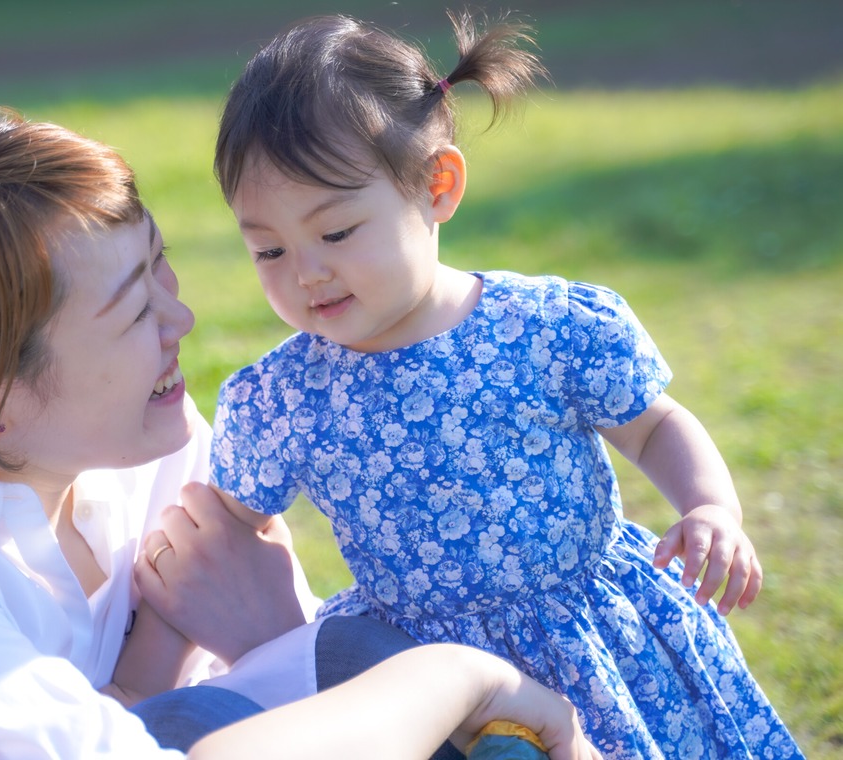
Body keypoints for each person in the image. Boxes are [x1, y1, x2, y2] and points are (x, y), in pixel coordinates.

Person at [0, 97, 601, 760]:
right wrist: (458, 674)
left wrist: (247, 646)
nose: (182, 322)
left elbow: (234, 673)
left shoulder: (99, 436)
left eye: (159, 268)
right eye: (136, 312)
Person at [206, 10, 806, 758]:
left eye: (334, 233)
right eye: (267, 249)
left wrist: (710, 505)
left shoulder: (546, 327)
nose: (306, 272)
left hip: (594, 641)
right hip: (421, 680)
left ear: (437, 186)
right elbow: (228, 518)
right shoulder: (286, 396)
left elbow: (653, 424)